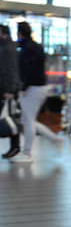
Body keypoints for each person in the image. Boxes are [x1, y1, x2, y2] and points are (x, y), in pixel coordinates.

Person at [12, 22, 62, 164]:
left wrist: (24, 87)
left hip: (33, 88)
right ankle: (55, 139)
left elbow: (30, 71)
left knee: (28, 121)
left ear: (20, 34)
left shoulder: (29, 49)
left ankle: (27, 153)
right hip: (37, 86)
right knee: (29, 120)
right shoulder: (34, 47)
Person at [0, 25, 21, 159]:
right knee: (9, 117)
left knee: (10, 118)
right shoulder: (5, 48)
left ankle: (16, 147)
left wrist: (10, 90)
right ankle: (15, 147)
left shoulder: (7, 49)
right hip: (4, 88)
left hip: (6, 90)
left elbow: (10, 71)